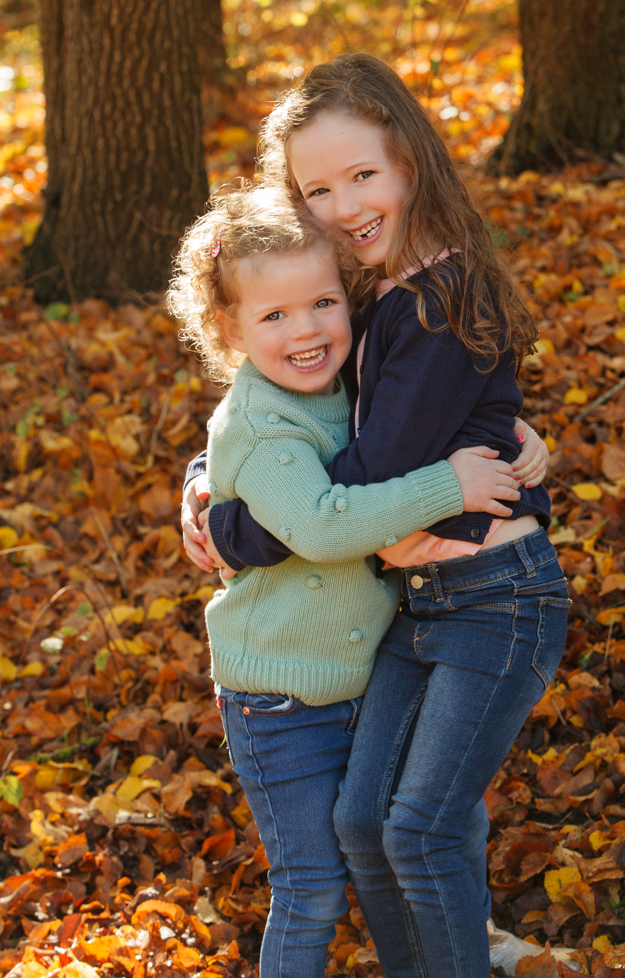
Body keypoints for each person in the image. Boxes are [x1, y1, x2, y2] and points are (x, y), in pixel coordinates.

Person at [182, 55, 574, 978]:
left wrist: (233, 527)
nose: (344, 203)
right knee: (370, 822)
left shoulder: (437, 300)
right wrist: (206, 473)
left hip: (488, 592)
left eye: (363, 175)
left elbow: (365, 471)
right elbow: (299, 417)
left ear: (411, 160)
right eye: (316, 188)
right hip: (421, 596)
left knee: (421, 826)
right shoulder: (367, 285)